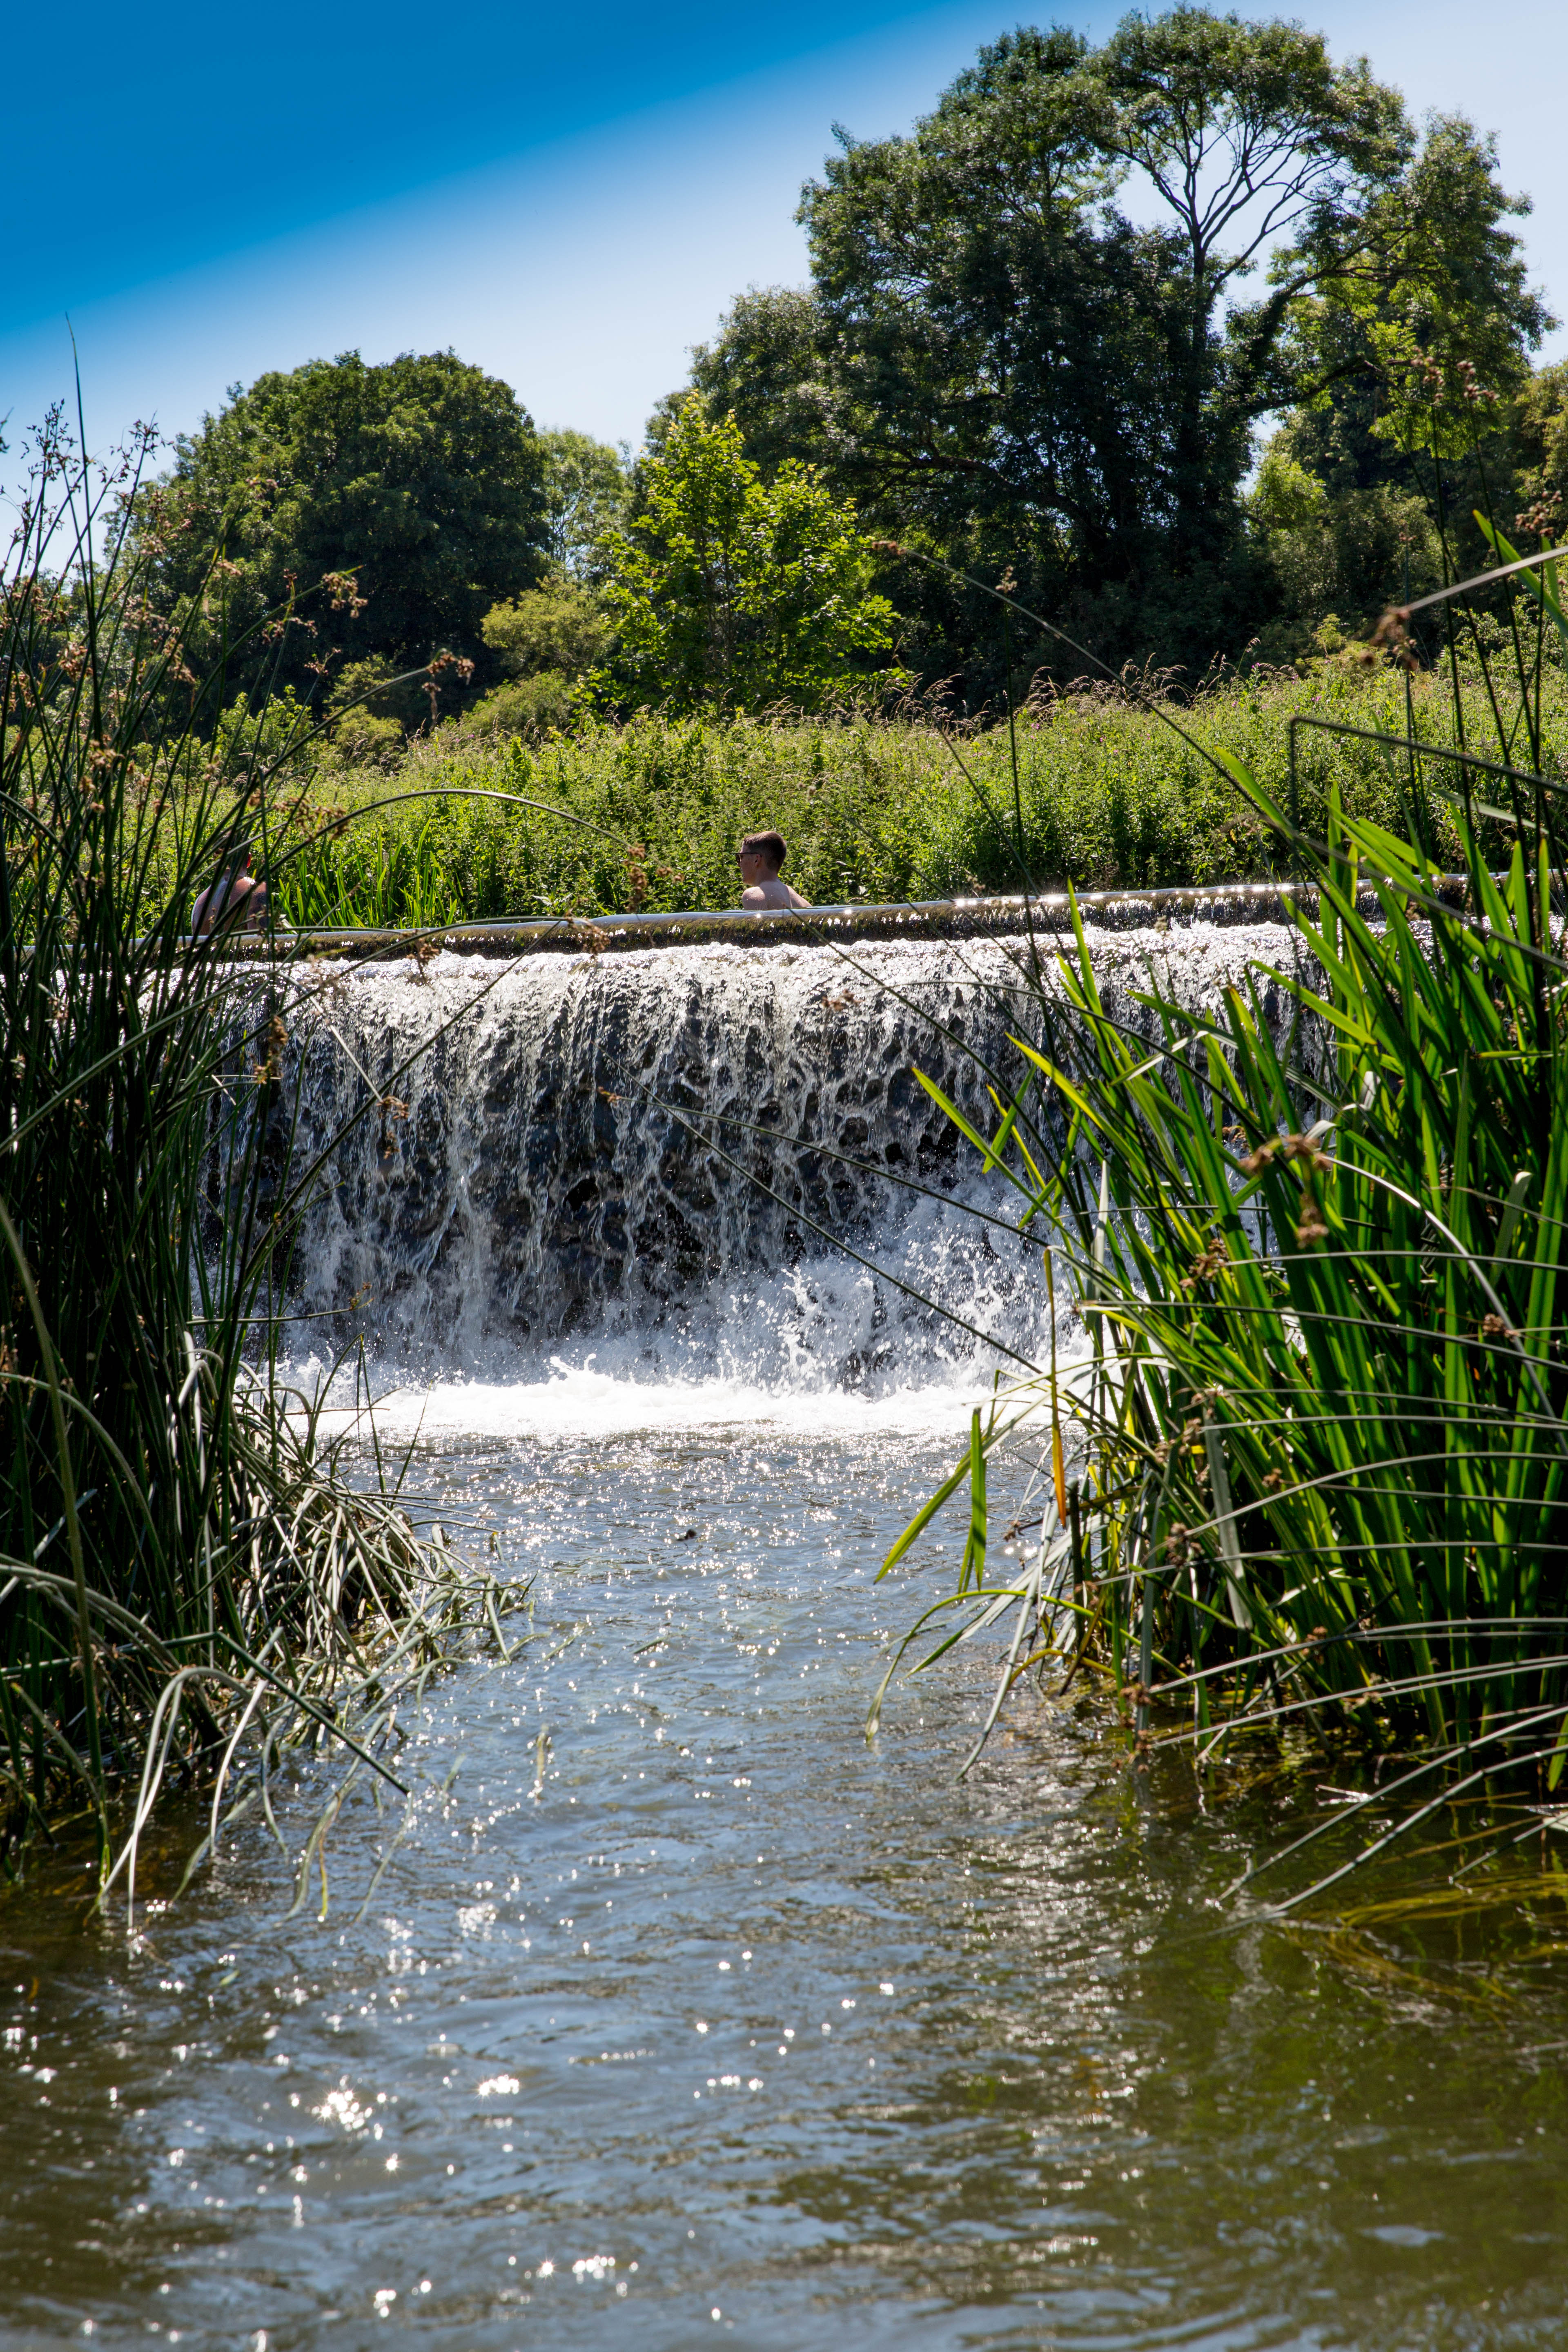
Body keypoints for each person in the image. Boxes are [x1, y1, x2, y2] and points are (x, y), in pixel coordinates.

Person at [192, 841, 269, 935]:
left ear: (215, 861)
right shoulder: (255, 888)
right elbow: (260, 941)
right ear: (249, 859)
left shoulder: (199, 901)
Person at [736, 830, 809, 910]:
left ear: (756, 860)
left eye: (741, 857)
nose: (739, 864)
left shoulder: (754, 896)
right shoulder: (805, 904)